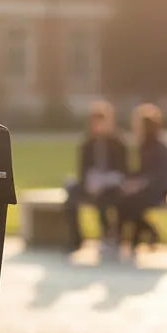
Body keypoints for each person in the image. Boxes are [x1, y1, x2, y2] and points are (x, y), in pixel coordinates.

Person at [63, 100, 128, 251]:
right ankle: (76, 238)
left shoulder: (118, 143)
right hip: (90, 185)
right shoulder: (87, 143)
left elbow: (123, 171)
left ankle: (109, 235)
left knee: (105, 198)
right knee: (71, 195)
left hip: (111, 186)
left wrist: (104, 181)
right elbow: (82, 170)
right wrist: (89, 183)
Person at [116, 103, 167, 255]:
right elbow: (142, 170)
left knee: (132, 202)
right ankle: (143, 233)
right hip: (146, 187)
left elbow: (161, 174)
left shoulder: (160, 145)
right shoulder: (143, 144)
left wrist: (141, 182)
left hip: (160, 188)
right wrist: (130, 180)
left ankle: (143, 234)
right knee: (122, 200)